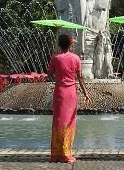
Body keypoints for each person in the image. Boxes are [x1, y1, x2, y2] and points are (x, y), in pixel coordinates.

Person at [47, 35, 91, 163]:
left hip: (60, 92)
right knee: (69, 122)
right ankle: (66, 154)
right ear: (71, 45)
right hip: (71, 93)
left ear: (59, 45)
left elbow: (49, 74)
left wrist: (56, 64)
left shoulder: (55, 58)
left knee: (58, 121)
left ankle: (56, 154)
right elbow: (80, 77)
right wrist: (85, 93)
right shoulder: (76, 58)